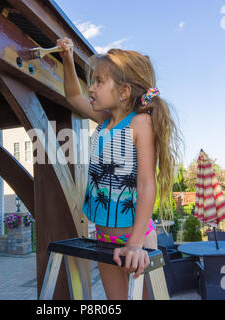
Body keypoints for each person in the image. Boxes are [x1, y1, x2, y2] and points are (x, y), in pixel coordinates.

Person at [57, 37, 182, 300]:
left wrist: (135, 245)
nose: (91, 88)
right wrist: (67, 58)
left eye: (99, 82)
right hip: (104, 238)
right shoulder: (104, 121)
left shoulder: (140, 123)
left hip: (137, 239)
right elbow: (72, 95)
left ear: (123, 91)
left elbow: (147, 184)